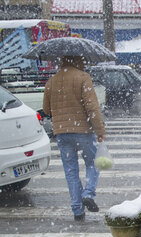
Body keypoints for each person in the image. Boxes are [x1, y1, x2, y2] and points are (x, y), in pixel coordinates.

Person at [43, 56, 105, 221]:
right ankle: (88, 193)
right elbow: (92, 107)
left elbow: (46, 110)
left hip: (62, 133)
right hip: (83, 131)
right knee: (93, 162)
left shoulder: (51, 81)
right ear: (78, 60)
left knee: (71, 171)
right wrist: (100, 130)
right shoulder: (83, 77)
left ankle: (77, 209)